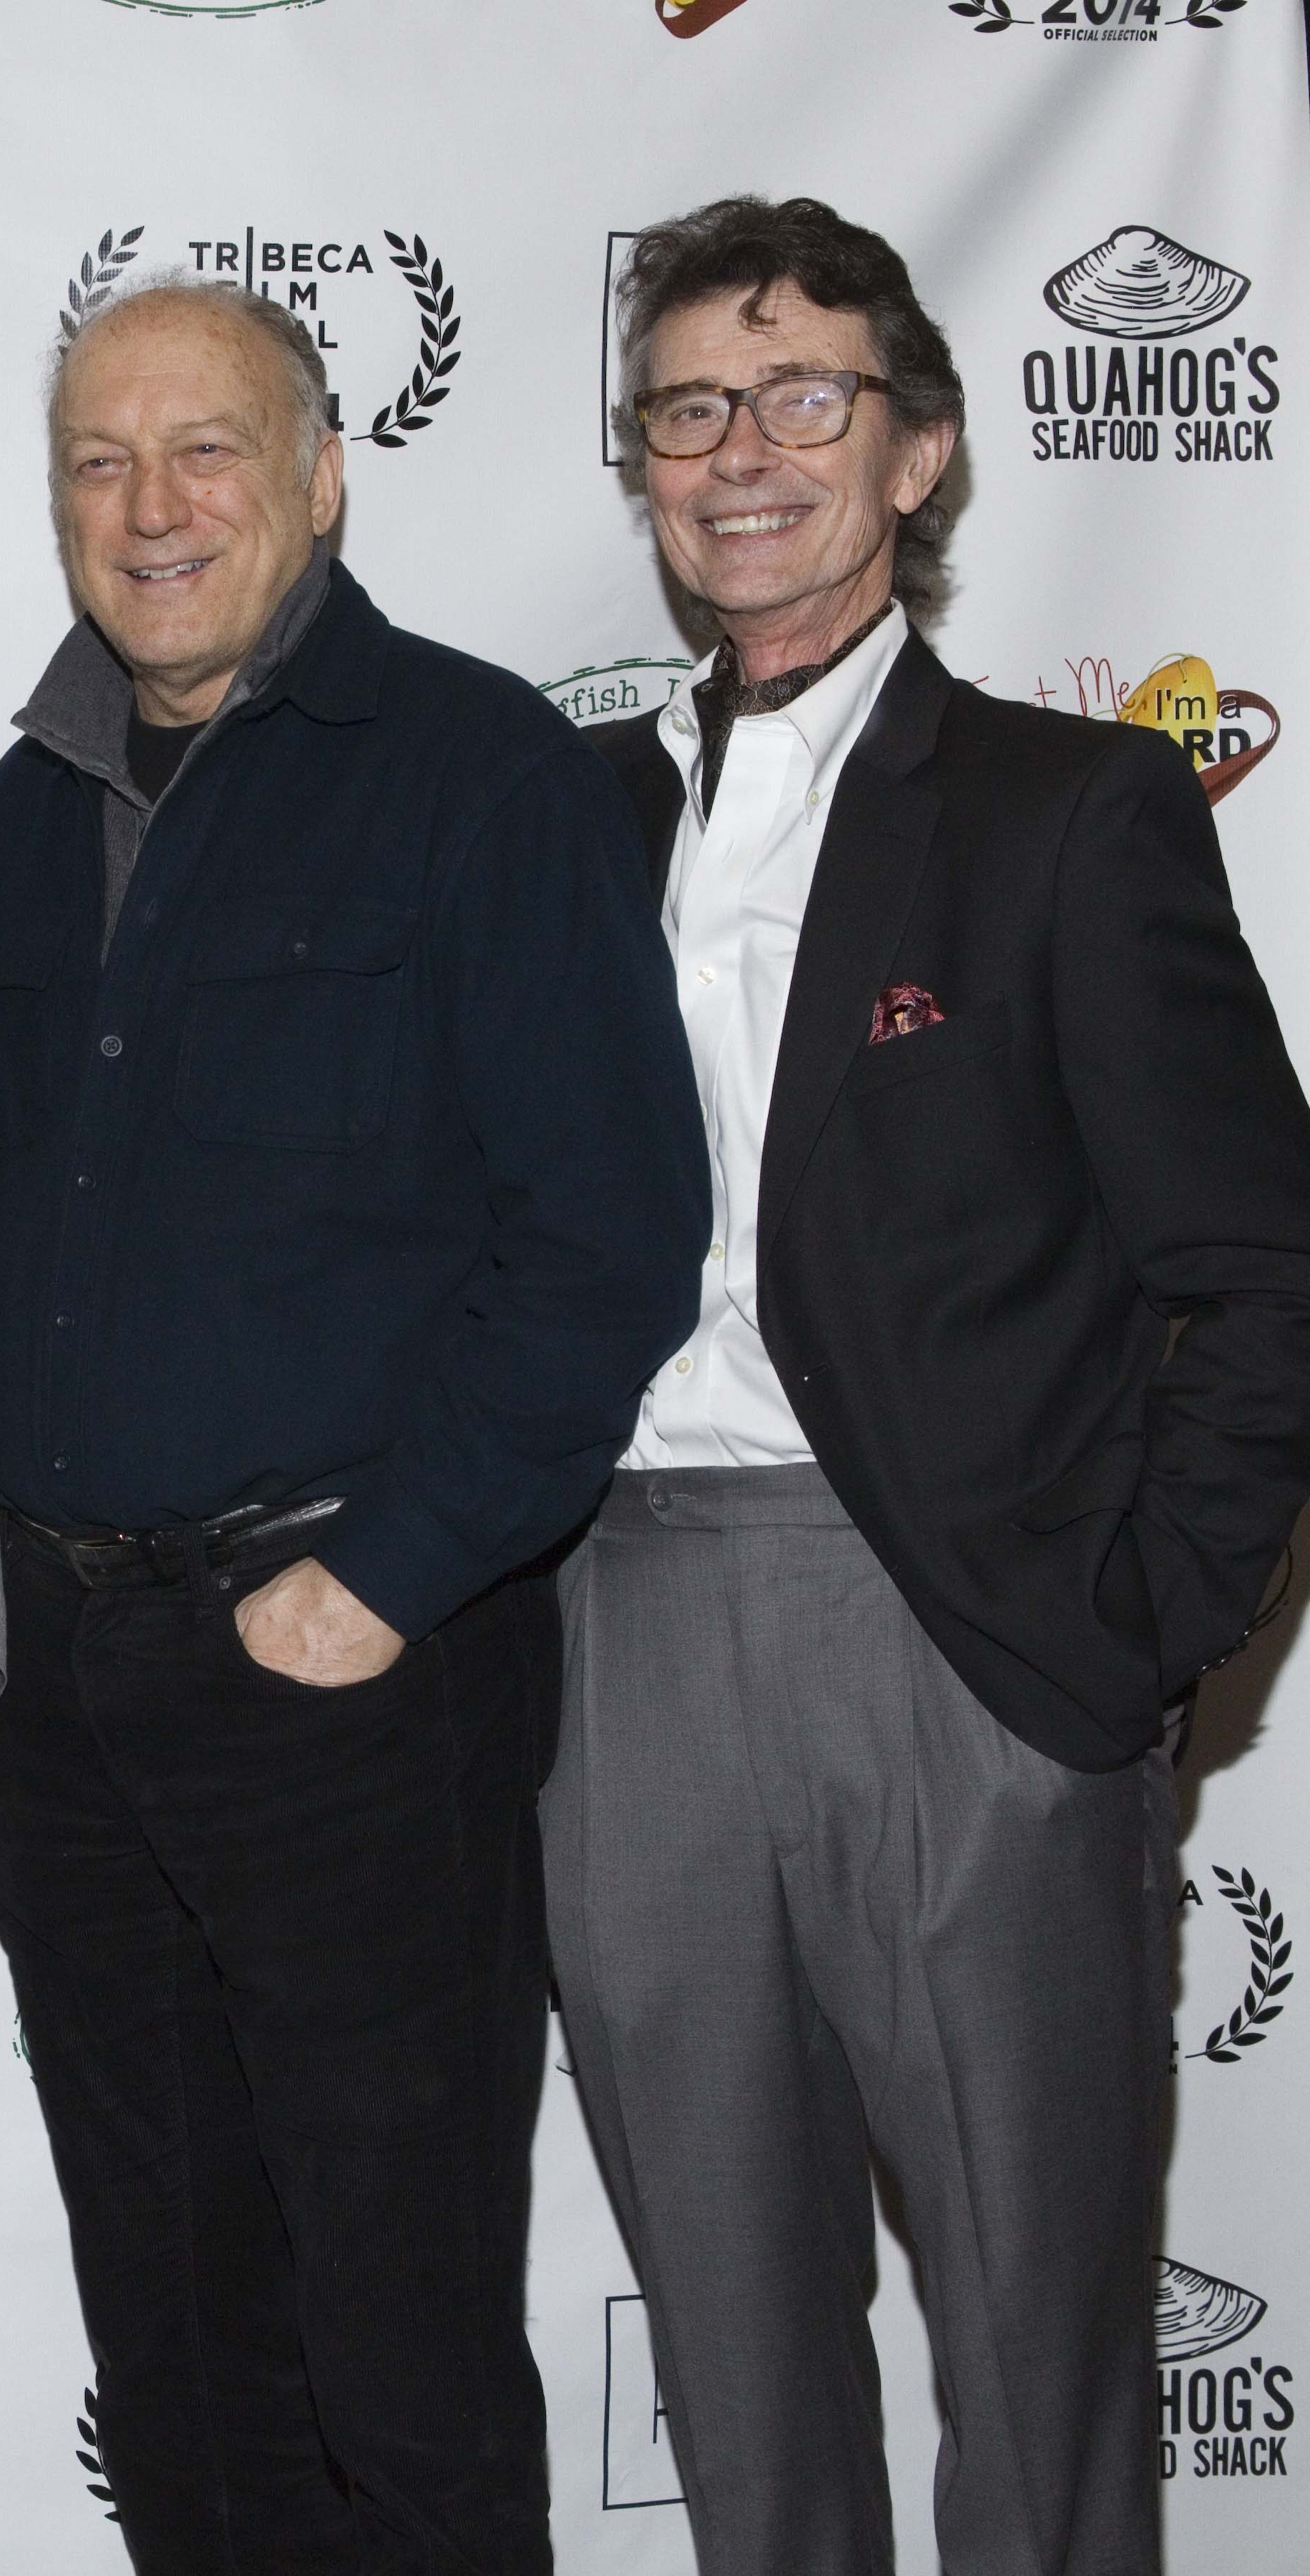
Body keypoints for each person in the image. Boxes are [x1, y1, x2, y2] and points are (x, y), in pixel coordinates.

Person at [554, 195, 1310, 2576]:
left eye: (803, 400)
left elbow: (1260, 1264)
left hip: (968, 1644)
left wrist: (1132, 1638)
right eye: (689, 408)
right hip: (618, 1639)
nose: (741, 453)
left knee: (1030, 2360)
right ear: (642, 467)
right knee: (731, 2361)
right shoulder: (562, 829)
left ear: (919, 455)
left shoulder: (1068, 814)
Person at [0, 275, 708, 2572]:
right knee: (174, 2343)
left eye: (206, 452)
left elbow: (607, 1233)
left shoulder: (478, 775)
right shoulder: (3, 819)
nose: (150, 505)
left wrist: (373, 1581)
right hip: (73, 1702)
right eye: (97, 459)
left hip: (353, 1682)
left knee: (402, 2351)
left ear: (320, 478)